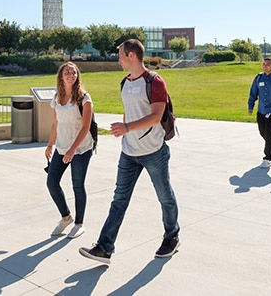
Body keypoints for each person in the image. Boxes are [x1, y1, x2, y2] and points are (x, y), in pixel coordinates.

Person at [79, 39, 180, 264]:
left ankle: (172, 237)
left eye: (121, 55)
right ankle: (104, 247)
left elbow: (155, 116)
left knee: (165, 197)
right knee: (119, 199)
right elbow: (130, 112)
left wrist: (127, 128)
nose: (118, 59)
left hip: (154, 151)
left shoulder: (155, 81)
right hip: (129, 152)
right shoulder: (124, 82)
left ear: (132, 55)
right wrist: (126, 131)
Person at [45, 62, 95, 239]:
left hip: (80, 149)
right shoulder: (57, 97)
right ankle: (66, 217)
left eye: (73, 72)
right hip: (62, 147)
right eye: (67, 72)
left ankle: (79, 223)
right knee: (51, 182)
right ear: (61, 76)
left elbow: (85, 127)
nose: (71, 75)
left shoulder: (84, 98)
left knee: (77, 185)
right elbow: (55, 123)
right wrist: (50, 144)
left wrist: (73, 150)